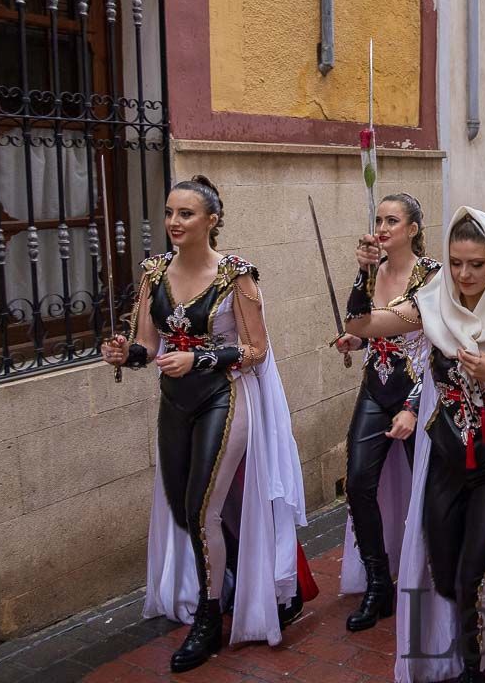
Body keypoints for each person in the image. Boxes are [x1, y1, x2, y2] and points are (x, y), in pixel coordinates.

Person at [102, 176, 314, 673]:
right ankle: (251, 584)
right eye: (170, 213)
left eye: (186, 214)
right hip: (174, 404)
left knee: (201, 510)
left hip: (224, 396)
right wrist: (125, 353)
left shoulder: (235, 275)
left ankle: (208, 617)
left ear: (212, 221)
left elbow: (256, 349)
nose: (174, 223)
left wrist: (199, 361)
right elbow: (149, 347)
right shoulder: (154, 273)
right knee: (183, 510)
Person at [345, 208, 485, 683]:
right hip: (445, 458)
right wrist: (363, 275)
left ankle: (472, 669)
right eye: (456, 263)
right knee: (443, 572)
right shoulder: (434, 303)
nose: (463, 275)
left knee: (472, 575)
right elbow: (365, 325)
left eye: (476, 265)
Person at [332, 194, 441, 632]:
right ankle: (379, 584)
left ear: (413, 229)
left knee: (428, 489)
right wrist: (353, 342)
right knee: (358, 483)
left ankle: (432, 579)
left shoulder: (431, 276)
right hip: (375, 389)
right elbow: (362, 327)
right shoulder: (373, 273)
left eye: (392, 220)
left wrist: (415, 405)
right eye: (378, 218)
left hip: (421, 389)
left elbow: (429, 340)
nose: (382, 226)